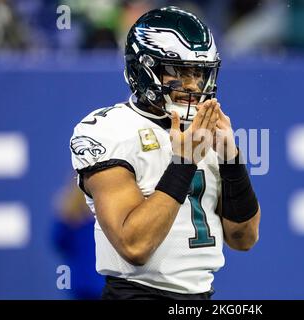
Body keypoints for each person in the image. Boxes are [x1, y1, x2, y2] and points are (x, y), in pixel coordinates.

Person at [69, 6, 261, 300]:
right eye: (180, 72)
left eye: (199, 73)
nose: (193, 85)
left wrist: (232, 160)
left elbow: (244, 239)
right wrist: (183, 163)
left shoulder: (205, 128)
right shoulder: (109, 130)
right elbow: (135, 246)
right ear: (144, 69)